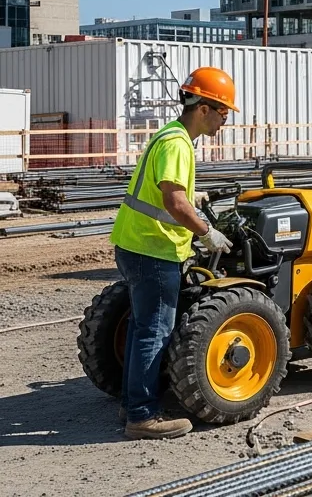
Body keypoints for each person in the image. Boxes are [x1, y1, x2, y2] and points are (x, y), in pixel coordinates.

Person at [109, 67, 237, 439]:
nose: (225, 120)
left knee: (141, 327)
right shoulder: (178, 143)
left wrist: (191, 196)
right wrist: (207, 233)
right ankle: (142, 417)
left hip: (135, 244)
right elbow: (174, 202)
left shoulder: (169, 135)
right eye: (223, 111)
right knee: (155, 330)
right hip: (154, 248)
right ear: (203, 108)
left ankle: (131, 403)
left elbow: (165, 190)